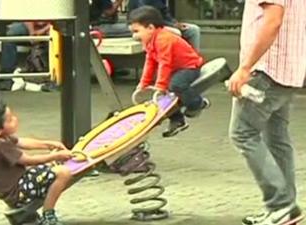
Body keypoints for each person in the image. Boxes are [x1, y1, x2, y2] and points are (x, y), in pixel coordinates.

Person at [227, 1, 305, 225]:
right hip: (289, 69)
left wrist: (245, 68)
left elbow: (273, 22)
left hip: (266, 70)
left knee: (242, 133)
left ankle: (280, 204)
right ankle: (286, 209)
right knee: (277, 138)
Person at [0, 103, 73, 225]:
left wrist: (49, 144)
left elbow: (23, 142)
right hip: (17, 193)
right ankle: (48, 215)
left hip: (19, 183)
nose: (15, 119)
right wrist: (55, 156)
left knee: (54, 166)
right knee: (63, 173)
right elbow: (28, 160)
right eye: (10, 120)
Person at [128, 6, 210, 138]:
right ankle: (177, 120)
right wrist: (143, 84)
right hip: (175, 68)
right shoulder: (149, 41)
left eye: (137, 31)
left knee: (175, 85)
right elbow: (150, 62)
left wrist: (160, 86)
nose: (134, 36)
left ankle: (198, 103)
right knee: (165, 92)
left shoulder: (163, 39)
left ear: (150, 28)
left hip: (190, 66)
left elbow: (165, 64)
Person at [127, 0, 201, 51]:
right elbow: (148, 17)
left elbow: (165, 12)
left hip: (158, 24)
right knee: (176, 32)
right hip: (144, 26)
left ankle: (193, 60)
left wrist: (175, 23)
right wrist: (172, 25)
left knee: (193, 30)